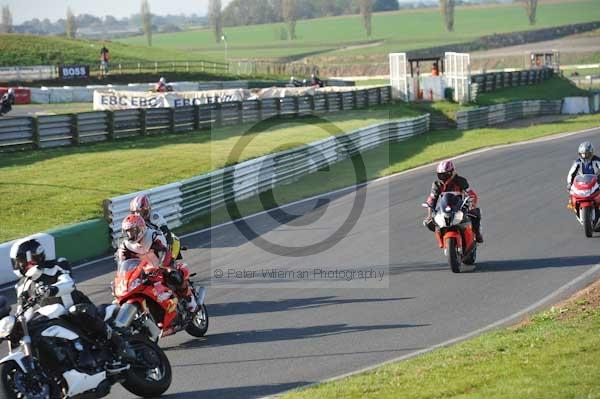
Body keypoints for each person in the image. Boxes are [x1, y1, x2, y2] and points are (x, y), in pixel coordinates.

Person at [9, 239, 134, 366]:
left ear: (33, 256)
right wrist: (16, 325)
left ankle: (120, 344)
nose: (19, 265)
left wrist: (52, 289)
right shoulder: (22, 285)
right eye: (17, 262)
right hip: (53, 317)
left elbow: (68, 283)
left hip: (76, 307)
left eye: (21, 261)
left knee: (78, 311)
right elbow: (22, 310)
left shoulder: (56, 265)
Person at [118, 214, 198, 312]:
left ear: (141, 228)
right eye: (128, 232)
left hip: (162, 264)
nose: (130, 235)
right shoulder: (125, 245)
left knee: (173, 275)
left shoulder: (154, 235)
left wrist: (162, 267)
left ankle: (190, 300)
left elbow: (165, 252)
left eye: (133, 231)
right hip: (144, 270)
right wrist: (123, 276)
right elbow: (123, 263)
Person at [423, 160, 484, 243]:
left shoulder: (460, 181)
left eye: (445, 174)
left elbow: (471, 193)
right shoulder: (437, 184)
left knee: (476, 213)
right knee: (430, 222)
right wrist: (429, 215)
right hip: (443, 209)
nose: (443, 177)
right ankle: (442, 237)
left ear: (451, 172)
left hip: (460, 207)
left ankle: (477, 234)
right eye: (440, 175)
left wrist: (472, 204)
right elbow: (432, 199)